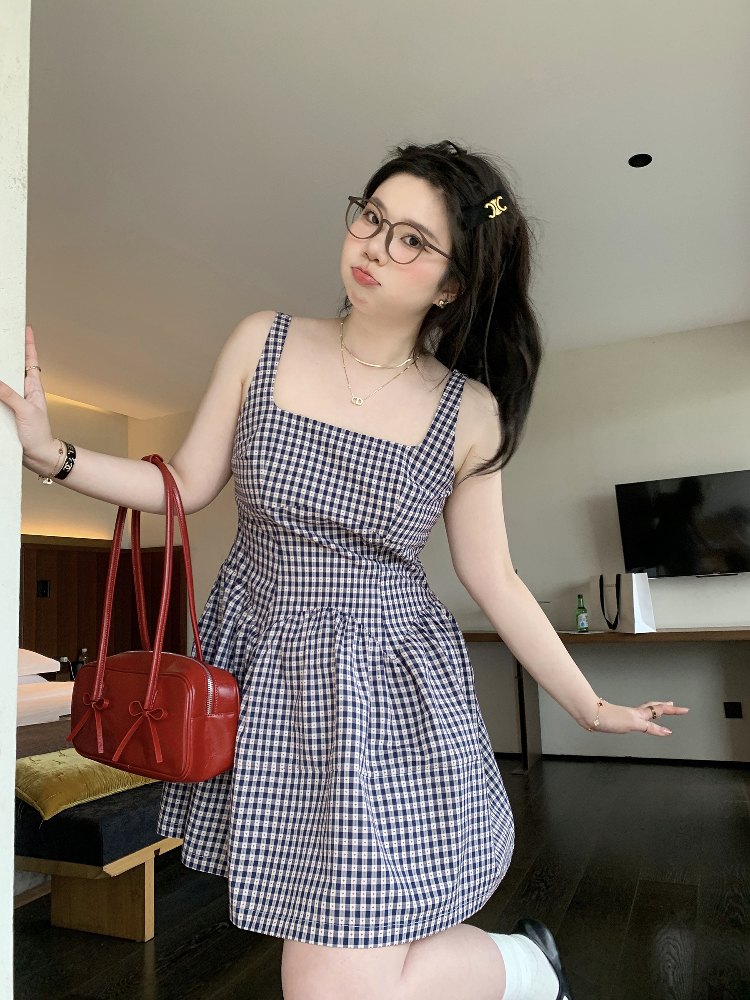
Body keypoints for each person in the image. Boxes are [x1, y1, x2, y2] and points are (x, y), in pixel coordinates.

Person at [1, 140, 689, 1000]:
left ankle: (522, 966)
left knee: (333, 974)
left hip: (385, 695)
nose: (373, 246)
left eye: (412, 240)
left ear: (451, 286)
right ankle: (525, 965)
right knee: (339, 954)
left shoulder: (470, 413)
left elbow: (496, 578)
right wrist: (51, 455)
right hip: (267, 678)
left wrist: (588, 706)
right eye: (371, 216)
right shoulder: (264, 340)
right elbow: (183, 484)